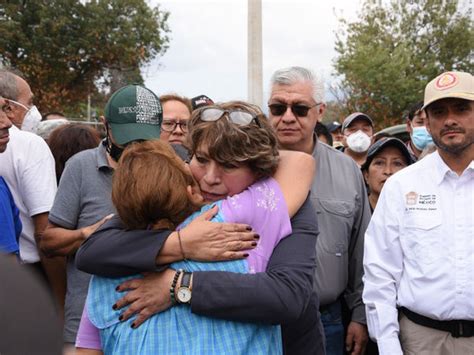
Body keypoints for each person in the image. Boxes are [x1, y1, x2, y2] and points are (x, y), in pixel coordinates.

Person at [76, 103, 325, 354]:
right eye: (202, 160)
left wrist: (178, 285)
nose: (209, 178)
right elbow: (94, 250)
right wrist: (180, 244)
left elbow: (286, 296)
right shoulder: (169, 196)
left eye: (229, 165)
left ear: (260, 170)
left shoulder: (286, 204)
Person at [41, 84, 162, 351]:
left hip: (149, 328)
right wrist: (88, 234)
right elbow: (49, 241)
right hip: (87, 328)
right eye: (127, 138)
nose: (135, 148)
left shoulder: (169, 167)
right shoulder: (81, 166)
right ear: (105, 125)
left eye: (143, 139)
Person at [363, 70, 474, 355]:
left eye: (461, 109)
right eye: (438, 111)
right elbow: (380, 271)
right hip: (421, 341)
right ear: (426, 120)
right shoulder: (402, 185)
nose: (449, 119)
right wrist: (388, 344)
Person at [268, 66, 370, 355]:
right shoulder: (244, 166)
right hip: (259, 318)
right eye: (278, 108)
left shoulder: (347, 170)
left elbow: (361, 249)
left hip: (329, 320)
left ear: (320, 111)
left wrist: (360, 316)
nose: (287, 117)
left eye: (299, 108)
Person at [0, 69, 65, 306]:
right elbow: (44, 231)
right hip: (27, 274)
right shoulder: (29, 144)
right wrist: (59, 301)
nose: (33, 111)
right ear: (9, 106)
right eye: (29, 103)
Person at [361, 137, 414, 212]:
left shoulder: (418, 215)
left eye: (397, 164)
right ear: (366, 175)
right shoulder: (354, 214)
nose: (388, 171)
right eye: (379, 163)